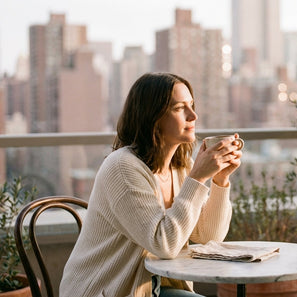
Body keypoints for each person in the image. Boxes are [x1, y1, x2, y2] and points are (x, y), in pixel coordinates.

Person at [60, 72, 242, 297]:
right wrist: (197, 179)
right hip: (105, 290)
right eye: (179, 108)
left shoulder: (181, 166)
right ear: (152, 117)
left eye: (192, 105)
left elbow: (207, 236)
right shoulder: (123, 167)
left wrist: (219, 180)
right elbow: (164, 244)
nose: (193, 115)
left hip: (154, 288)